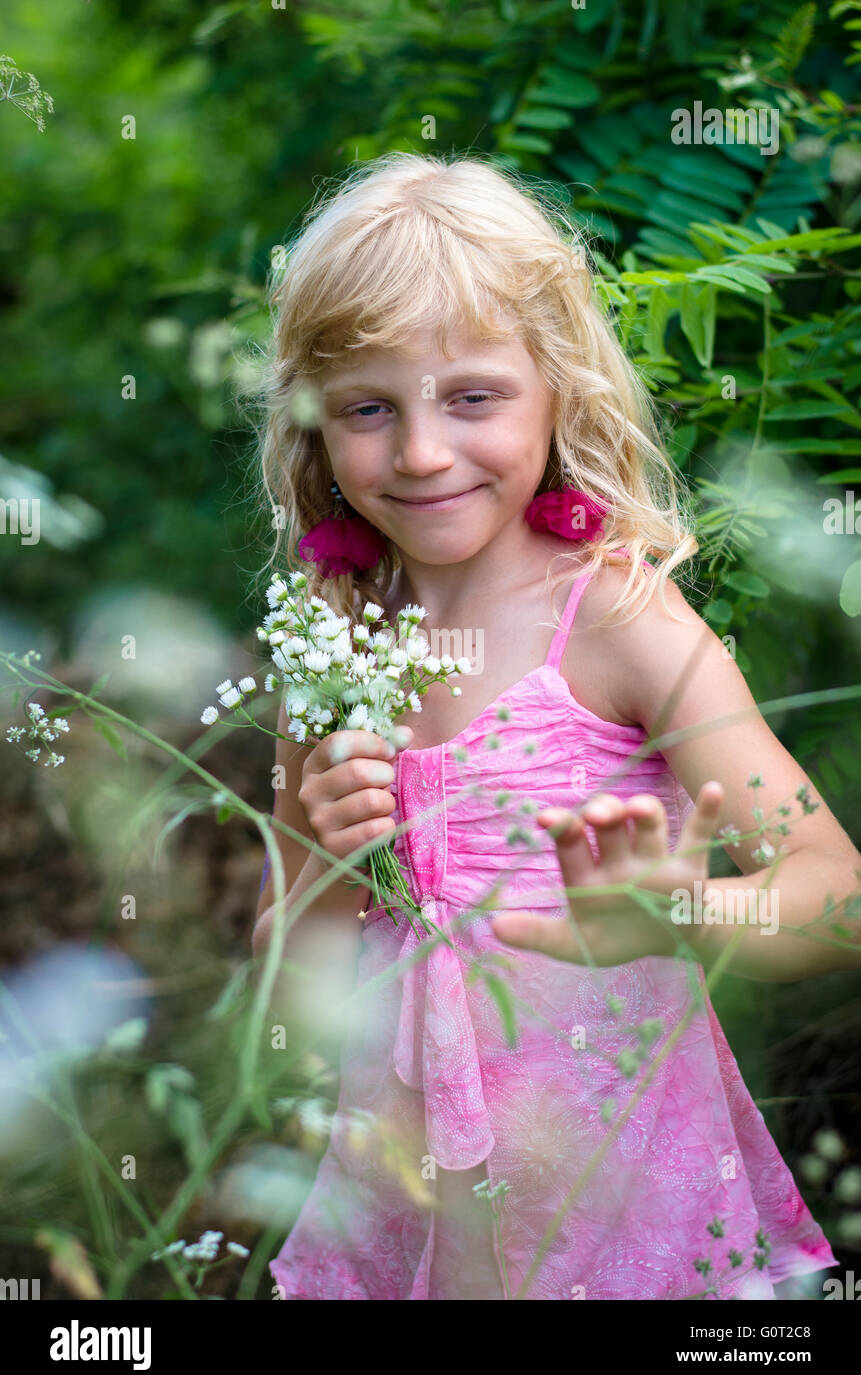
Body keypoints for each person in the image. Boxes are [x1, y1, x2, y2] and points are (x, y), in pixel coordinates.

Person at [251, 152, 860, 1300]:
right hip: (408, 1198)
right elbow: (288, 969)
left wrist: (676, 912)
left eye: (473, 396)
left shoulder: (617, 616)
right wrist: (322, 867)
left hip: (616, 1196)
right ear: (313, 426)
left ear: (559, 390)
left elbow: (837, 890)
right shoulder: (334, 648)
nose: (423, 452)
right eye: (369, 409)